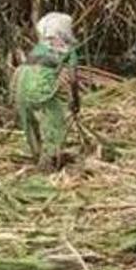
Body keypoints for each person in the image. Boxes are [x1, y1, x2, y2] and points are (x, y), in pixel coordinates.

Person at [14, 12, 80, 169]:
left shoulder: (40, 46)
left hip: (20, 81)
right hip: (39, 84)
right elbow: (72, 79)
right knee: (56, 119)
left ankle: (36, 154)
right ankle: (50, 159)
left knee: (29, 120)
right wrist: (76, 100)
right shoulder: (68, 49)